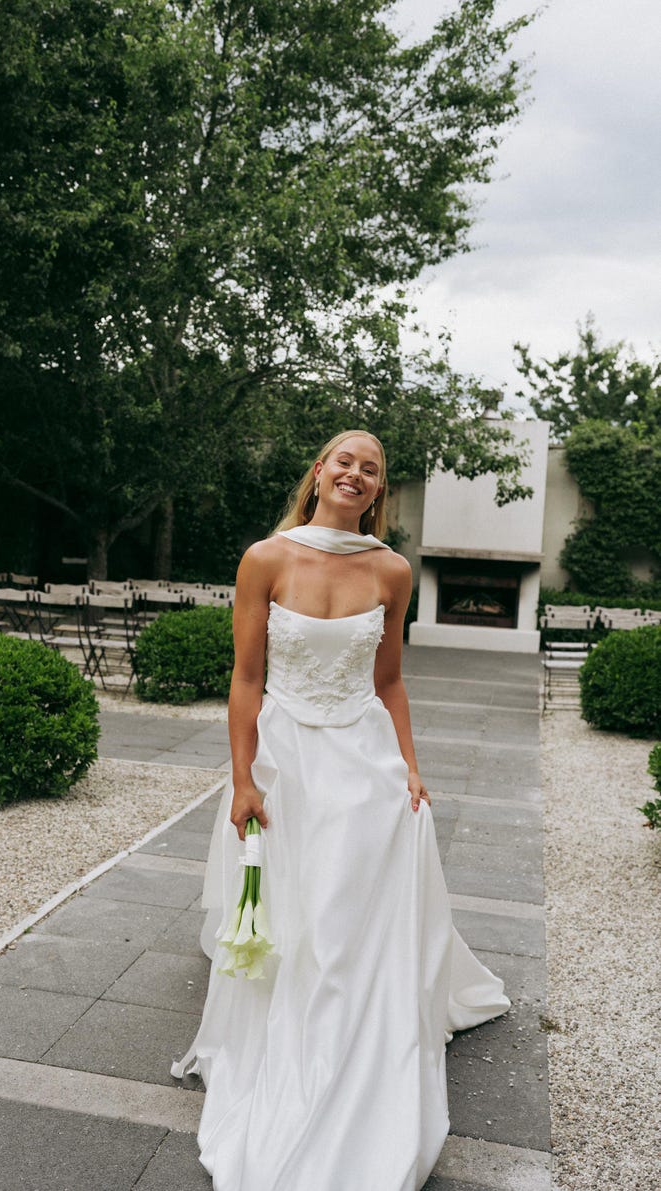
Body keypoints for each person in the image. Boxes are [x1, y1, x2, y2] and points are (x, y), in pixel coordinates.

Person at [172, 429, 510, 1191]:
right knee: (301, 905)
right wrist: (243, 779)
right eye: (345, 461)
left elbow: (389, 681)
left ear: (377, 488)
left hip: (362, 757)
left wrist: (412, 769)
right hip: (285, 758)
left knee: (348, 902)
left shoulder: (393, 570)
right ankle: (300, 1034)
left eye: (372, 467)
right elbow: (247, 678)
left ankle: (359, 1032)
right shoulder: (266, 557)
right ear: (319, 471)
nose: (357, 473)